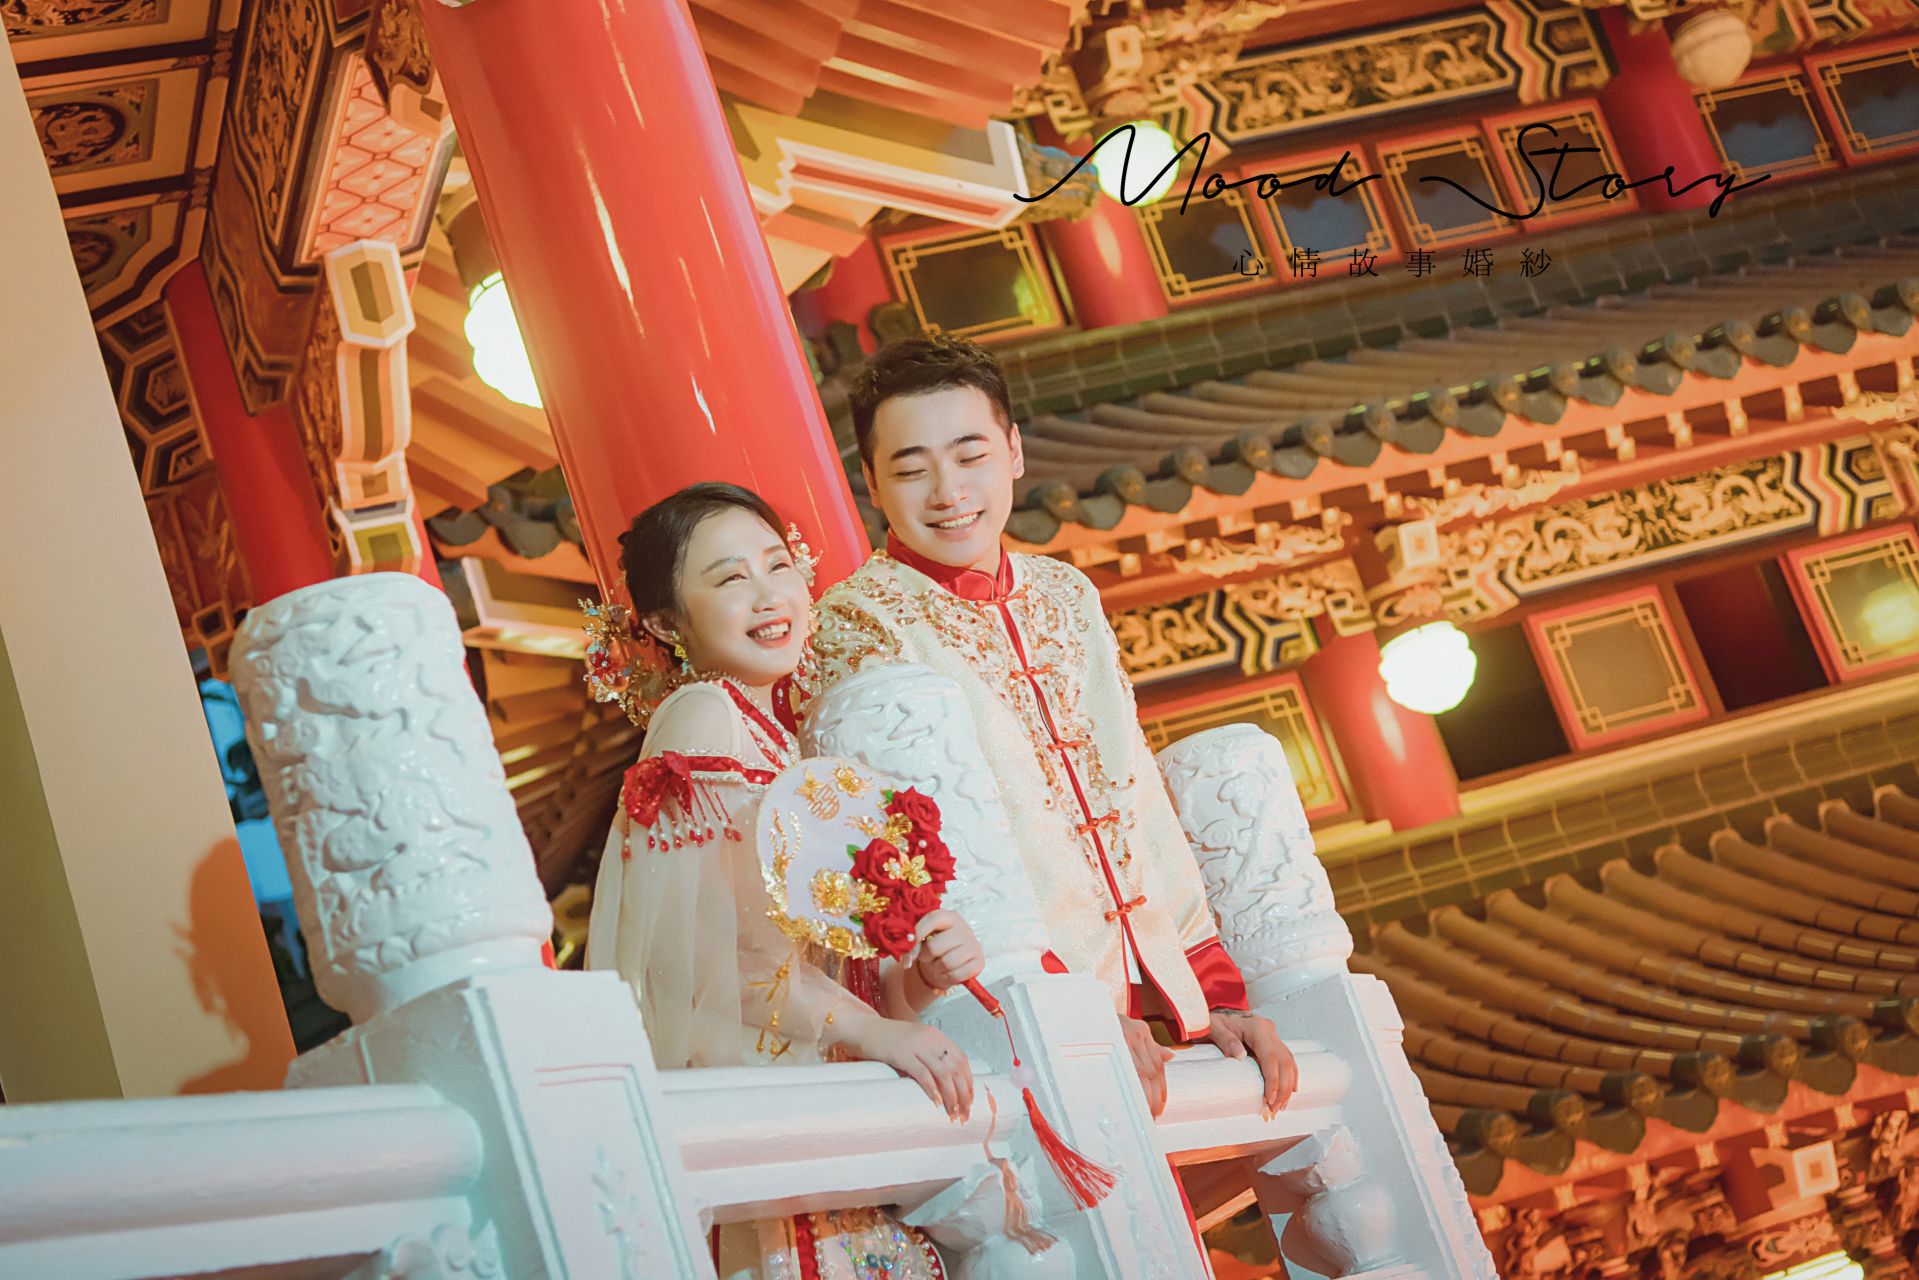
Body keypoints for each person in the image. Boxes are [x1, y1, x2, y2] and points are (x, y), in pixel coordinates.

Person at [802, 336, 1297, 1120]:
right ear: (871, 483)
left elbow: (1133, 791)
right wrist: (1068, 1008)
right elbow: (913, 857)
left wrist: (1210, 994)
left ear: (1014, 451)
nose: (947, 492)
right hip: (1002, 1004)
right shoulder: (855, 622)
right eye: (910, 469)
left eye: (970, 456)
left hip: (1141, 1004)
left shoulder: (1065, 592)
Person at [585, 482, 984, 1280]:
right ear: (665, 624)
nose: (769, 595)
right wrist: (876, 1032)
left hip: (823, 1102)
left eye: (777, 564)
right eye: (730, 578)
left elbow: (814, 968)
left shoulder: (778, 741)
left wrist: (918, 982)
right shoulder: (703, 714)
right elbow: (703, 959)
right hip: (772, 1114)